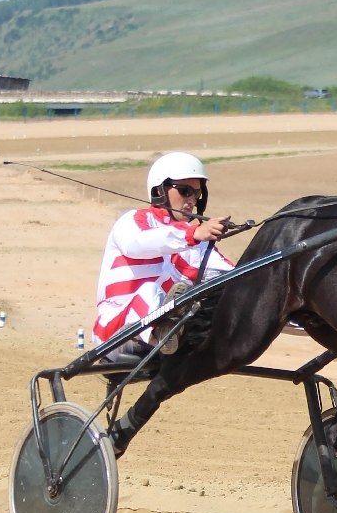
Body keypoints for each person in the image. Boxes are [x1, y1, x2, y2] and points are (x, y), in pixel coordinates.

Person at [93, 152, 234, 359]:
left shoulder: (195, 243)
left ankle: (170, 332)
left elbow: (233, 276)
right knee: (151, 291)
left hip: (165, 338)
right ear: (160, 190)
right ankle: (164, 333)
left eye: (197, 194)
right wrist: (193, 234)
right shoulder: (134, 220)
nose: (192, 200)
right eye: (185, 191)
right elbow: (137, 244)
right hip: (114, 333)